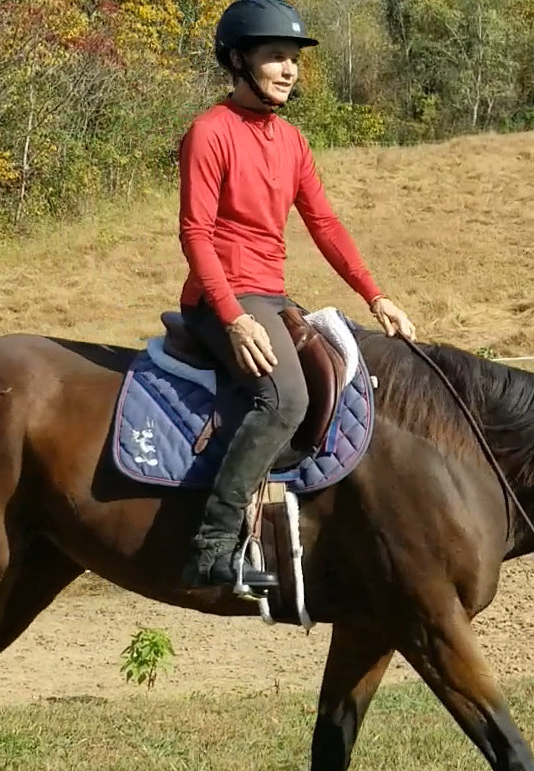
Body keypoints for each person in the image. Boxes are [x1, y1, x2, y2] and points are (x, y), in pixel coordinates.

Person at [178, 0, 416, 592]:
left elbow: (325, 225)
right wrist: (232, 318)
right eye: (275, 57)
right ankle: (212, 545)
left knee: (346, 367)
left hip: (271, 292)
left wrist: (374, 295)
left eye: (294, 60)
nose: (289, 70)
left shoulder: (292, 142)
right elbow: (195, 234)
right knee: (284, 398)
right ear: (238, 60)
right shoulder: (210, 132)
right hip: (222, 298)